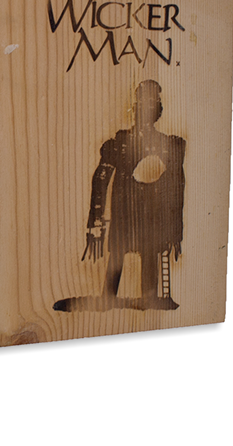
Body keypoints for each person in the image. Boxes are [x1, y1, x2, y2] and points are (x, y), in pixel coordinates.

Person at [54, 80, 186, 312]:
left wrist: (175, 227)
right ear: (135, 108)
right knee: (118, 254)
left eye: (152, 104)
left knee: (150, 254)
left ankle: (149, 298)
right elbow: (101, 178)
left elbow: (177, 186)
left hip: (153, 217)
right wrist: (95, 219)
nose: (146, 111)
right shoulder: (120, 143)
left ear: (158, 110)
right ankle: (108, 296)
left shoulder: (167, 145)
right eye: (142, 104)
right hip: (124, 213)